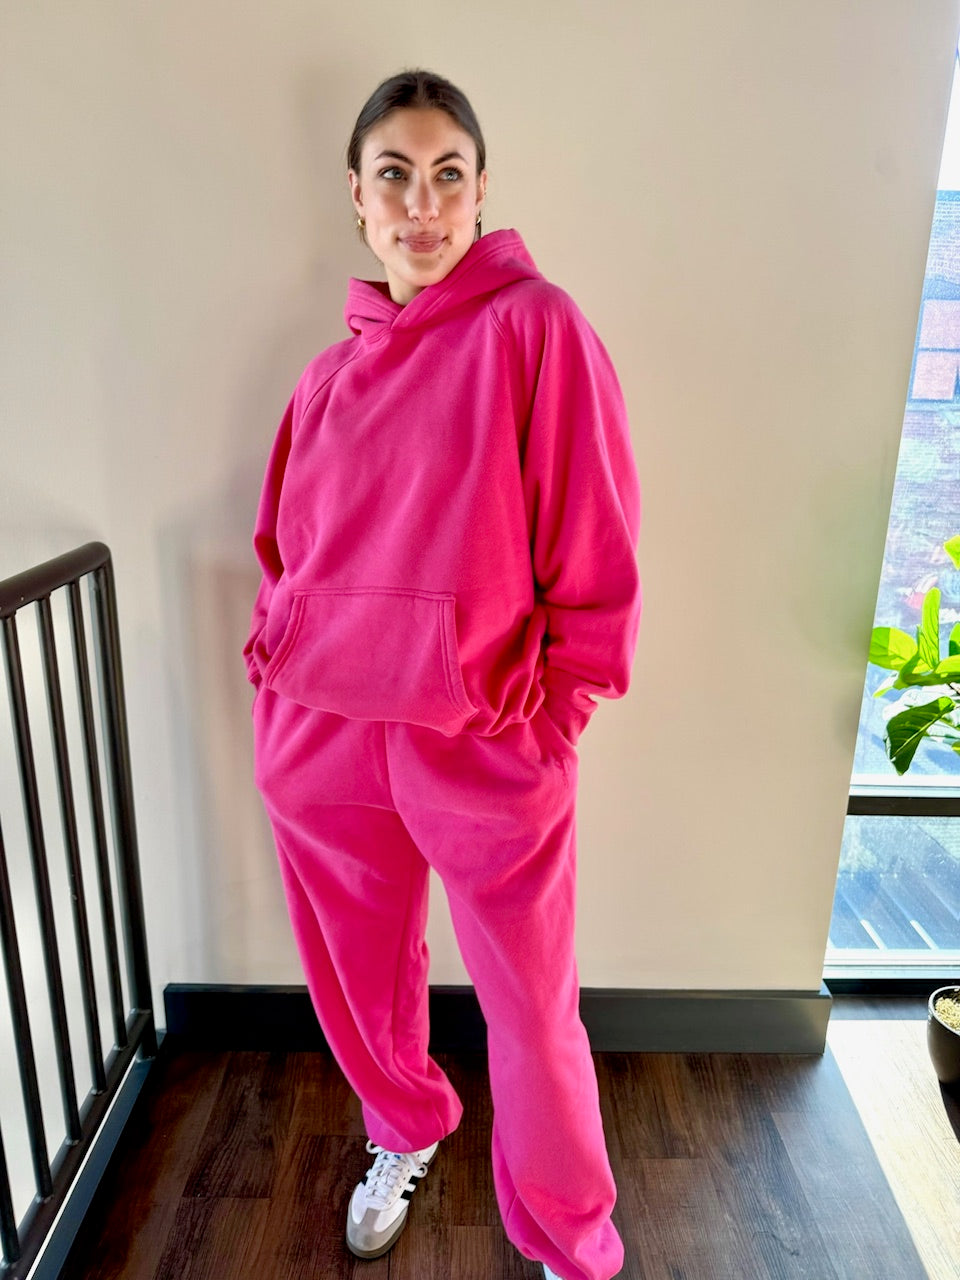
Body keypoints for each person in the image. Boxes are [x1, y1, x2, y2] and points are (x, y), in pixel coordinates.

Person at [243, 69, 641, 1280]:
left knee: (530, 1007)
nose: (422, 204)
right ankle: (404, 1124)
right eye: (395, 177)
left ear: (480, 191)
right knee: (362, 982)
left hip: (483, 738)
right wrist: (274, 670)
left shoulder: (535, 328)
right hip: (321, 736)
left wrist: (554, 714)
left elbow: (595, 542)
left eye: (447, 175)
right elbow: (283, 548)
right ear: (357, 198)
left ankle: (570, 1239)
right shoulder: (327, 376)